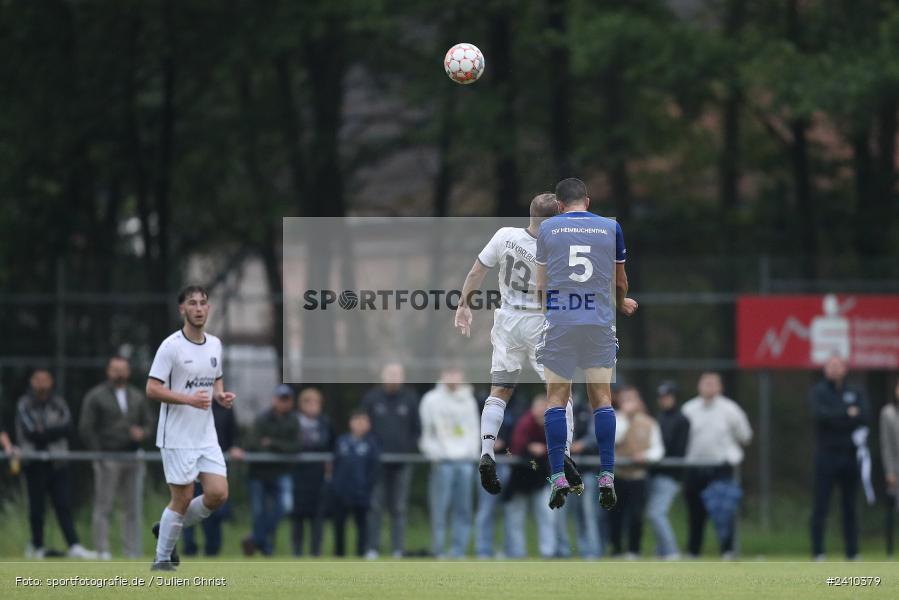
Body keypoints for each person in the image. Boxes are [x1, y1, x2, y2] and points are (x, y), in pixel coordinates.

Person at [453, 193, 580, 497]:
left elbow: (476, 272)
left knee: (500, 390)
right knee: (561, 391)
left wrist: (464, 305)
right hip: (540, 323)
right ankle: (563, 453)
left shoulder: (504, 235)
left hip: (508, 321)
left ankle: (486, 450)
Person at [534, 177, 638, 510]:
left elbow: (541, 285)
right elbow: (620, 280)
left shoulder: (548, 229)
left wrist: (548, 312)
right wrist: (621, 302)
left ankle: (558, 476)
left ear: (560, 205)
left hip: (563, 322)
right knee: (602, 400)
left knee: (555, 399)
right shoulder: (610, 227)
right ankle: (607, 474)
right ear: (587, 202)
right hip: (598, 322)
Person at [146, 285, 237, 571]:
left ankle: (168, 526)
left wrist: (219, 395)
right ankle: (161, 561)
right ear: (182, 310)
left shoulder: (215, 344)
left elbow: (215, 377)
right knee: (182, 498)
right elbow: (151, 388)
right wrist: (187, 399)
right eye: (192, 303)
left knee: (218, 494)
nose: (198, 308)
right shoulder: (171, 346)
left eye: (203, 303)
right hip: (176, 436)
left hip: (205, 434)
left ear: (208, 308)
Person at [16, 369, 96, 559]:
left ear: (51, 382)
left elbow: (67, 428)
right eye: (38, 380)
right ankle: (37, 545)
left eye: (46, 380)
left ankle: (74, 545)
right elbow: (30, 432)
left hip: (58, 462)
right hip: (34, 462)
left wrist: (44, 431)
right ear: (32, 382)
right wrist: (49, 431)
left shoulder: (58, 403)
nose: (42, 384)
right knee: (37, 507)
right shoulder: (24, 404)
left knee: (63, 504)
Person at [78, 356, 152, 560]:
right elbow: (86, 428)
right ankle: (103, 551)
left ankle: (131, 551)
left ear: (128, 372)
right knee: (104, 505)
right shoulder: (96, 396)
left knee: (132, 507)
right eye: (115, 369)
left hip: (133, 457)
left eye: (123, 369)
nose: (119, 373)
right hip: (107, 457)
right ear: (108, 371)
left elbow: (148, 424)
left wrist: (142, 433)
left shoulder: (137, 396)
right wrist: (99, 453)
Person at [682, 372, 752, 559]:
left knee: (724, 511)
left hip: (721, 469)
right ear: (699, 386)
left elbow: (745, 435)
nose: (709, 387)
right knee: (695, 513)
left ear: (720, 387)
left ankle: (727, 551)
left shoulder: (730, 409)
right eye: (706, 383)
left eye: (713, 383)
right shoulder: (688, 409)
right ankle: (694, 551)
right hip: (695, 467)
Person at [809, 356, 869, 560]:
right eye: (830, 366)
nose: (834, 369)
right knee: (820, 505)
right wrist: (847, 413)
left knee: (850, 506)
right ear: (825, 369)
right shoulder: (819, 392)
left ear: (845, 369)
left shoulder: (856, 391)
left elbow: (864, 417)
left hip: (850, 456)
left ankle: (852, 552)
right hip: (826, 456)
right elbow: (821, 417)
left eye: (838, 366)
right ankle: (818, 552)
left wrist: (838, 416)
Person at [419, 367, 480, 558]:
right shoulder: (431, 399)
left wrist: (472, 454)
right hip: (442, 461)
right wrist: (434, 453)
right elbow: (426, 432)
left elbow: (474, 430)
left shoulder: (468, 399)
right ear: (443, 375)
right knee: (440, 508)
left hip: (464, 462)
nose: (453, 377)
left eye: (457, 373)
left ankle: (458, 551)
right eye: (449, 373)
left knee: (463, 509)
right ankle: (438, 550)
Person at [362, 362, 420, 559]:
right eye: (390, 373)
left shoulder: (410, 399)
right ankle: (373, 548)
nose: (394, 377)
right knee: (375, 506)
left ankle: (398, 549)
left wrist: (406, 449)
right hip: (377, 464)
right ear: (382, 375)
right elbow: (364, 427)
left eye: (398, 374)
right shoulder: (372, 398)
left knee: (399, 507)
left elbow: (417, 430)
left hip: (402, 463)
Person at [242, 384, 301, 557]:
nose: (284, 402)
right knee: (259, 512)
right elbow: (253, 445)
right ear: (274, 399)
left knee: (285, 506)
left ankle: (255, 538)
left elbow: (296, 447)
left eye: (287, 399)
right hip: (258, 473)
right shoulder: (261, 419)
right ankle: (265, 547)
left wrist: (272, 443)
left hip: (281, 472)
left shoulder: (293, 420)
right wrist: (281, 447)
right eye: (281, 399)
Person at [182, 396, 244, 557]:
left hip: (214, 465)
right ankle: (188, 548)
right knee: (185, 502)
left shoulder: (224, 405)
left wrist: (235, 446)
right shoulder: (187, 399)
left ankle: (212, 550)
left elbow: (233, 433)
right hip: (190, 462)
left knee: (214, 506)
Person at [609, 386, 663, 558]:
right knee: (615, 515)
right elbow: (614, 440)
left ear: (639, 402)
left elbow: (658, 450)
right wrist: (626, 419)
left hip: (638, 476)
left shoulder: (649, 423)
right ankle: (616, 550)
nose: (629, 403)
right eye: (626, 400)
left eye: (632, 399)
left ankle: (634, 550)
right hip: (618, 475)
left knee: (636, 515)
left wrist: (645, 456)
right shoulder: (615, 419)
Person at [504, 394, 557, 558]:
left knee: (547, 515)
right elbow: (515, 449)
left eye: (545, 408)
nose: (541, 411)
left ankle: (548, 552)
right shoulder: (525, 423)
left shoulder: (553, 425)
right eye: (539, 407)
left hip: (541, 478)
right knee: (515, 516)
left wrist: (544, 449)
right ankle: (517, 553)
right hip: (520, 476)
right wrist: (529, 447)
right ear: (533, 408)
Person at [646, 380, 690, 559]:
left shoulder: (681, 420)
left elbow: (674, 448)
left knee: (656, 513)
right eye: (661, 397)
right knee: (655, 512)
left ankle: (671, 551)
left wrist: (652, 455)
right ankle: (662, 550)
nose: (664, 400)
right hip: (655, 473)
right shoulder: (659, 417)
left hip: (670, 474)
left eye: (667, 397)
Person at [291, 387, 334, 557]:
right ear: (301, 404)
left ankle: (316, 552)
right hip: (298, 474)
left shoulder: (325, 423)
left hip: (318, 475)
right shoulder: (293, 421)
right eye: (308, 402)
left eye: (316, 402)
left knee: (317, 516)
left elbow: (331, 446)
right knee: (298, 515)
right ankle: (297, 552)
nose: (312, 406)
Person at [331, 410, 379, 557]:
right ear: (351, 423)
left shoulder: (372, 444)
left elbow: (374, 469)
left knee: (362, 525)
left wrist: (366, 486)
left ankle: (361, 554)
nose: (359, 424)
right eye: (356, 420)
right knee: (339, 525)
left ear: (368, 424)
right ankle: (339, 555)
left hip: (361, 492)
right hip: (342, 492)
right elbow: (336, 464)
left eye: (363, 421)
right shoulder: (342, 441)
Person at [880, 378, 899, 556]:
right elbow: (886, 445)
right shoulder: (888, 413)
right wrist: (890, 471)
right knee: (893, 509)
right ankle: (890, 549)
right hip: (896, 467)